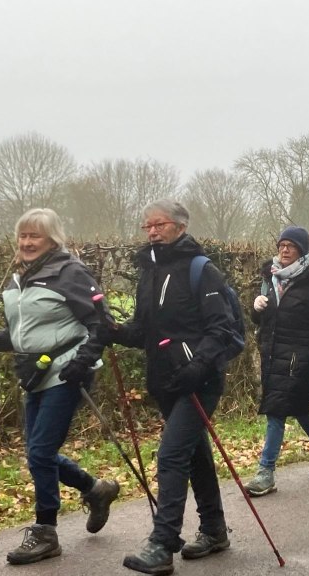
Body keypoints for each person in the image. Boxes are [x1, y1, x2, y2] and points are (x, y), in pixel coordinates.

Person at [0, 208, 119, 565]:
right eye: (23, 235)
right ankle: (95, 489)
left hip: (68, 372)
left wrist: (83, 360)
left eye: (35, 236)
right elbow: (21, 336)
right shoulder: (19, 278)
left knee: (40, 452)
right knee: (37, 452)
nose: (27, 242)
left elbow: (101, 324)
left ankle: (45, 531)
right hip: (35, 372)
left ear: (52, 239)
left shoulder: (70, 273)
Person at [97, 199, 236, 575]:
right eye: (147, 226)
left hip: (200, 380)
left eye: (159, 225)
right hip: (165, 381)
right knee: (195, 455)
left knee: (172, 455)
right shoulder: (150, 271)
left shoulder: (201, 269)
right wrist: (114, 331)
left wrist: (199, 365)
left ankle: (162, 544)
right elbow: (144, 331)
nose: (152, 232)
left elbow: (221, 329)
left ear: (180, 226)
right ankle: (214, 530)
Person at [243, 226, 309, 497]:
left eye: (291, 246)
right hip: (273, 357)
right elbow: (264, 322)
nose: (284, 250)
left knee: (276, 411)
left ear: (302, 251)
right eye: (281, 245)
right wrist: (257, 309)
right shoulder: (272, 278)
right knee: (299, 409)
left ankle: (265, 472)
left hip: (300, 363)